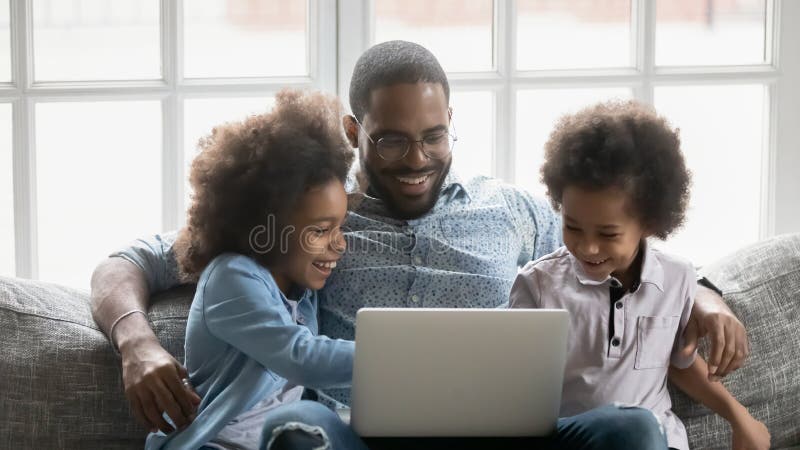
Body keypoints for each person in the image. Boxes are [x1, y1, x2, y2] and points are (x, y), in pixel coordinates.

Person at [90, 41, 749, 449]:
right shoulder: (304, 222)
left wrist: (705, 296)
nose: (418, 158)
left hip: (508, 436)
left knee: (632, 430)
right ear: (354, 129)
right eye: (394, 138)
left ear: (452, 122)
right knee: (294, 434)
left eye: (434, 135)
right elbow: (130, 262)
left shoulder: (510, 211)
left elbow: (622, 249)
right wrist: (137, 342)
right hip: (362, 438)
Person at [510, 100, 770, 450]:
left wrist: (740, 418)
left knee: (641, 427)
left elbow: (678, 364)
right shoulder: (538, 285)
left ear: (649, 223)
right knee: (630, 425)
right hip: (577, 438)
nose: (587, 248)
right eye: (573, 227)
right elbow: (512, 391)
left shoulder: (678, 277)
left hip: (656, 439)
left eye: (607, 234)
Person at [143, 89, 370, 449]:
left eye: (339, 227)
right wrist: (391, 354)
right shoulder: (232, 276)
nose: (339, 243)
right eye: (321, 230)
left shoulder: (303, 292)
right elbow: (300, 356)